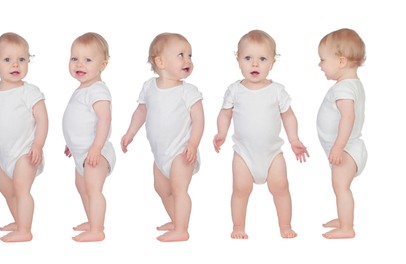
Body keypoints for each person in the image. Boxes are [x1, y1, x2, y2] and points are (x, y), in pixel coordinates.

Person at [213, 30, 309, 239]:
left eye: (262, 59)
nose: (254, 64)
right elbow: (225, 114)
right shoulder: (235, 90)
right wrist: (221, 132)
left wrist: (294, 139)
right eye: (248, 58)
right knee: (240, 190)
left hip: (273, 153)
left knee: (281, 188)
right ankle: (238, 227)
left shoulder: (277, 91)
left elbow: (289, 116)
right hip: (244, 154)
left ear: (272, 63)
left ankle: (286, 226)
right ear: (238, 60)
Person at [121, 33, 204, 242]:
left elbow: (199, 120)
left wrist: (193, 144)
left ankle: (182, 230)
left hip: (181, 151)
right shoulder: (149, 87)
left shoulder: (188, 91)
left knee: (178, 189)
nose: (188, 60)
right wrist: (130, 132)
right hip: (160, 155)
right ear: (160, 62)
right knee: (161, 189)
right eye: (181, 55)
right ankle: (177, 220)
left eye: (190, 55)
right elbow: (141, 111)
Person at [0, 32, 48, 242]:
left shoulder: (30, 92)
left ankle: (25, 230)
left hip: (25, 152)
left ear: (28, 61)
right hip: (4, 155)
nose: (15, 64)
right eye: (7, 60)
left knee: (21, 189)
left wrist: (38, 145)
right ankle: (18, 220)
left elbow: (43, 120)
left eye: (22, 59)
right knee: (5, 189)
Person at [62, 32, 116, 242]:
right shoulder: (82, 89)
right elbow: (80, 121)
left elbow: (104, 119)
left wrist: (96, 147)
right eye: (74, 58)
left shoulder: (97, 90)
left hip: (96, 151)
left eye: (87, 60)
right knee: (82, 187)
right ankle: (93, 221)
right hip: (81, 152)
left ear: (103, 64)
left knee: (93, 189)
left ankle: (97, 230)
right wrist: (72, 143)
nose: (79, 64)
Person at [317, 28, 367, 239]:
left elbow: (348, 118)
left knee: (341, 187)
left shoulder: (343, 89)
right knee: (340, 188)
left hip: (346, 150)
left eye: (322, 60)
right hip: (350, 148)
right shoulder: (352, 84)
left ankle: (347, 228)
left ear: (341, 61)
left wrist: (338, 147)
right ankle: (344, 218)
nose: (320, 65)